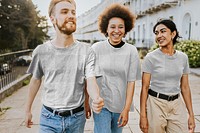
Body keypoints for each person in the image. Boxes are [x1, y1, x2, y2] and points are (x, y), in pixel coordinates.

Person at [24, 0, 104, 132]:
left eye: (73, 12)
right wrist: (27, 110)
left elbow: (90, 80)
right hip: (48, 117)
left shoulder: (87, 51)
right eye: (64, 12)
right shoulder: (41, 51)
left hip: (77, 119)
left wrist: (96, 98)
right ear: (53, 19)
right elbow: (35, 80)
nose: (71, 15)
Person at [85, 3, 141, 133]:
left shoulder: (131, 51)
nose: (117, 30)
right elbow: (89, 78)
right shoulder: (96, 48)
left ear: (126, 29)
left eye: (121, 27)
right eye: (113, 27)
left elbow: (131, 82)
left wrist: (126, 109)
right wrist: (87, 103)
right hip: (101, 105)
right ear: (106, 29)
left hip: (120, 106)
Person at [140, 19, 196, 133]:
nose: (159, 35)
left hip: (176, 104)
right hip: (155, 104)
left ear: (173, 34)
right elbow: (144, 88)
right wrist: (143, 116)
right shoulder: (151, 58)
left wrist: (191, 114)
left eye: (163, 31)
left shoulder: (183, 58)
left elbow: (185, 87)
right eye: (156, 33)